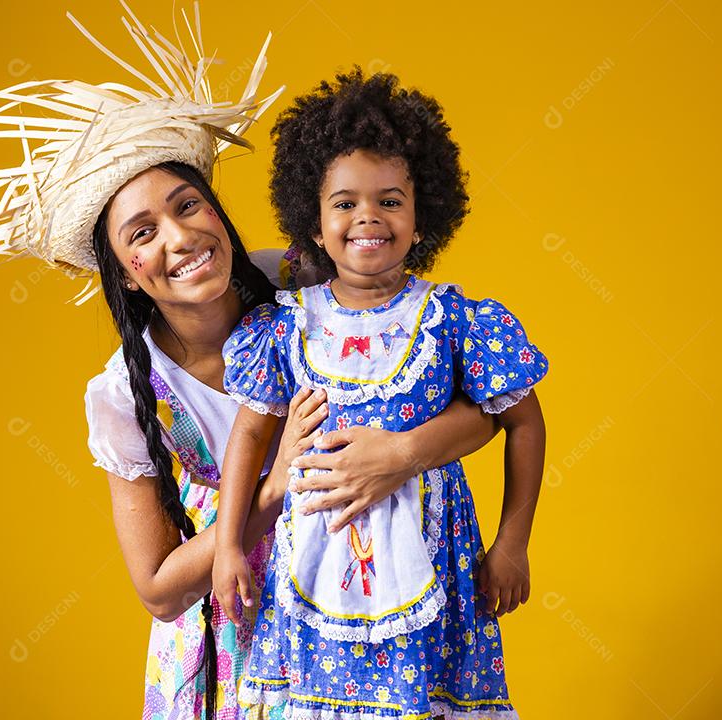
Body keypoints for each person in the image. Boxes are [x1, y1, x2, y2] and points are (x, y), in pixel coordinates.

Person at [0, 9, 502, 719]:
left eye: (190, 205)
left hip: (367, 588)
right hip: (235, 633)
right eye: (143, 232)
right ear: (124, 271)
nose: (180, 237)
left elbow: (488, 407)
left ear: (218, 208)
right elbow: (157, 588)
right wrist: (274, 490)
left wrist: (399, 454)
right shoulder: (128, 393)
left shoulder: (306, 286)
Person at [212, 70, 550, 719]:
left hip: (435, 569)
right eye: (344, 203)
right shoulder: (285, 326)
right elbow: (250, 433)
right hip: (314, 568)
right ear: (312, 222)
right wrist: (228, 544)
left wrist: (512, 542)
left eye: (390, 200)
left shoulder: (456, 322)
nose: (368, 216)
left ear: (424, 216)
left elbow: (524, 423)